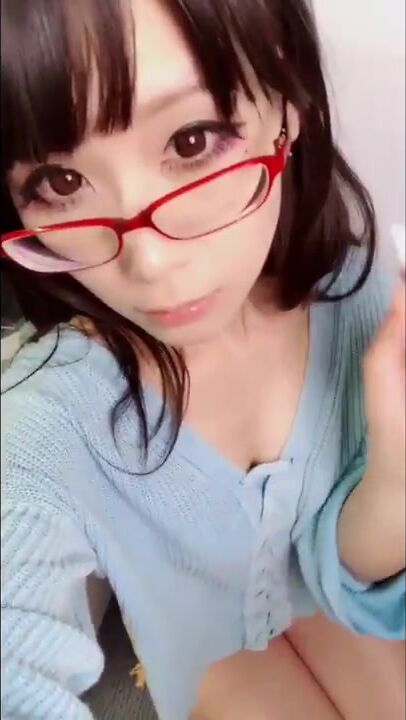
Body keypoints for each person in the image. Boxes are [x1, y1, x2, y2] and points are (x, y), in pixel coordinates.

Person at [1, 1, 405, 718]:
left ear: (288, 106)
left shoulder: (363, 293)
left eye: (192, 140)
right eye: (59, 184)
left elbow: (366, 580)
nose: (149, 263)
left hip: (351, 625)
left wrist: (395, 477)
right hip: (207, 680)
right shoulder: (45, 425)